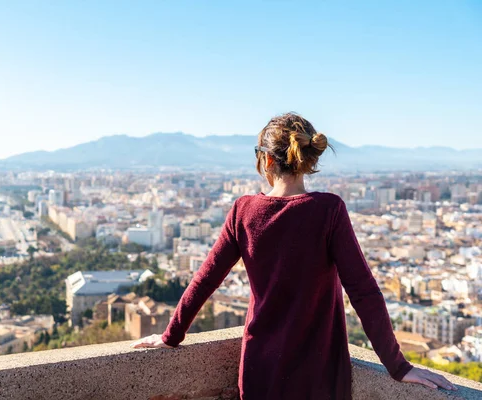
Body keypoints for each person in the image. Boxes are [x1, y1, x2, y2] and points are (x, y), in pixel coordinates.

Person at [131, 113, 456, 399]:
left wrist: (171, 336)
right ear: (307, 160)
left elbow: (206, 279)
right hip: (319, 373)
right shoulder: (328, 210)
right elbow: (363, 291)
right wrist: (397, 366)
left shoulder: (244, 211)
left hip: (261, 369)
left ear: (268, 161)